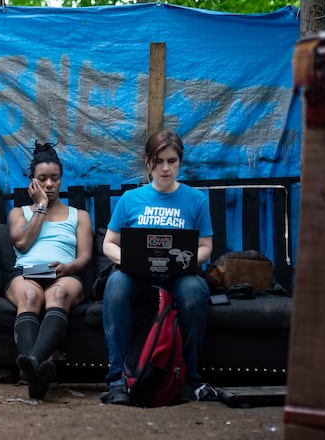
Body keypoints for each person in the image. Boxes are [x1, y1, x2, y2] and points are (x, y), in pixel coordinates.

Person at [99, 129, 217, 405]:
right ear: (148, 161)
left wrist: (185, 261)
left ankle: (190, 381)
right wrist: (127, 259)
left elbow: (206, 247)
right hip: (139, 276)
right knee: (116, 284)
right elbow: (109, 243)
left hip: (177, 276)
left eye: (172, 161)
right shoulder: (131, 199)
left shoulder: (196, 200)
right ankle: (118, 381)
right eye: (159, 160)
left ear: (180, 162)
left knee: (192, 289)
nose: (165, 168)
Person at [4, 140, 93, 399]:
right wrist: (40, 207)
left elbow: (85, 256)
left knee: (57, 296)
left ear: (61, 180)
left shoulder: (79, 216)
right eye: (42, 179)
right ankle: (38, 373)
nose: (49, 184)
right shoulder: (19, 213)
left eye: (55, 178)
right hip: (25, 273)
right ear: (33, 182)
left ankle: (32, 364)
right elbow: (22, 242)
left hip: (64, 274)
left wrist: (68, 267)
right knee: (31, 297)